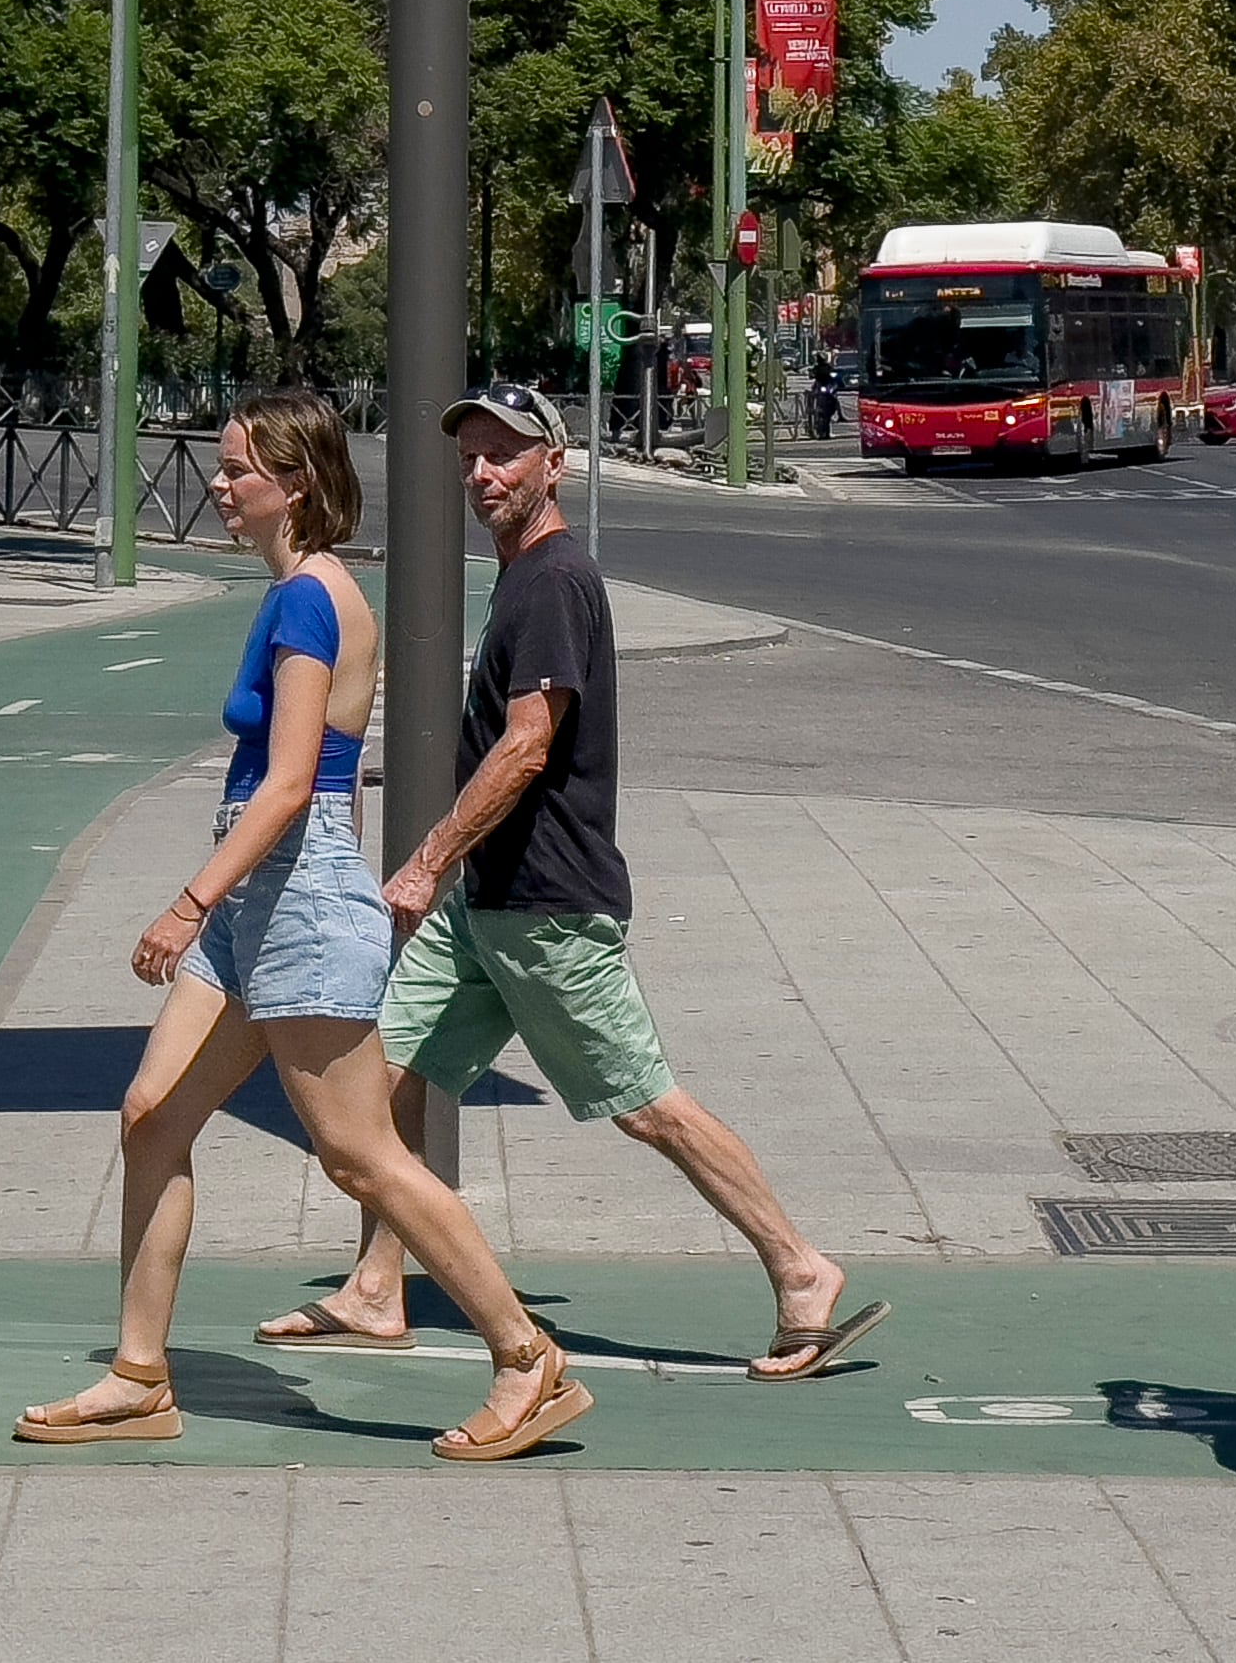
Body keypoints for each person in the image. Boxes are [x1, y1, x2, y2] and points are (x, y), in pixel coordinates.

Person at [258, 381, 888, 1381]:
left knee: (645, 1102)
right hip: (489, 905)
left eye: (505, 452)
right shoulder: (524, 575)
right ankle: (378, 1285)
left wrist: (426, 860)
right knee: (388, 1079)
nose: (482, 472)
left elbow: (527, 744)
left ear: (556, 463)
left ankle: (800, 1265)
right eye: (470, 454)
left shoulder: (552, 580)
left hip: (547, 904)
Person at [12, 387, 589, 1462]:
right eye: (223, 466)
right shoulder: (302, 593)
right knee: (152, 1116)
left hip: (295, 893)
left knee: (360, 1155)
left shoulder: (312, 601)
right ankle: (139, 1376)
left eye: (238, 468)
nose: (219, 483)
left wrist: (186, 904)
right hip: (259, 895)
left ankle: (526, 1357)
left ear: (297, 484)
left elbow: (288, 788)